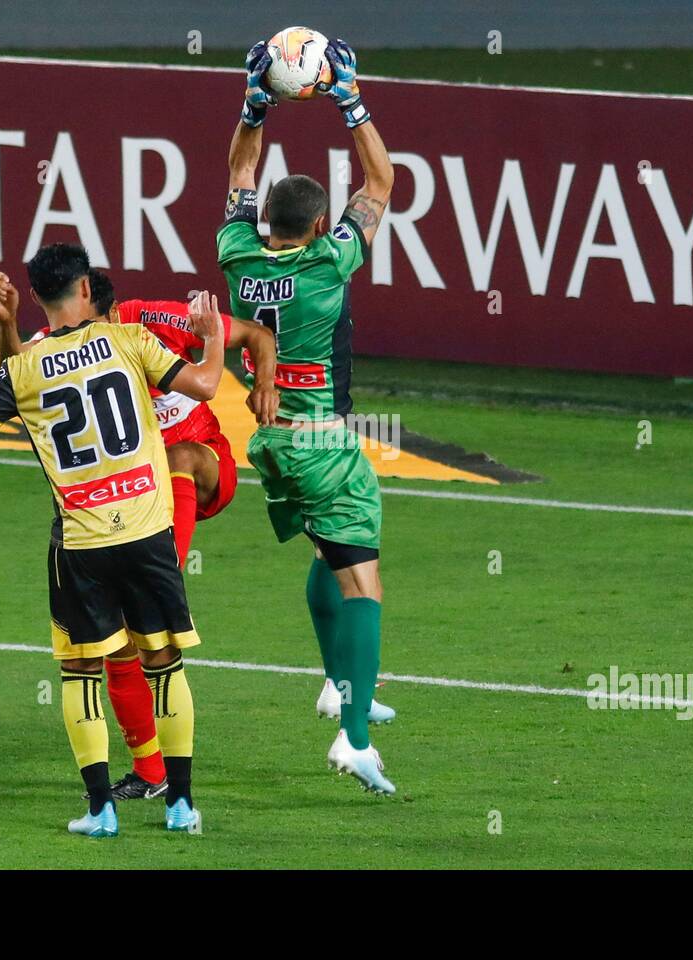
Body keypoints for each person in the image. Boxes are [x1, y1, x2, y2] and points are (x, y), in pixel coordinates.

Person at [0, 242, 225, 834]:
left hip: (82, 543)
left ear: (40, 298)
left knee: (80, 672)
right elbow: (206, 383)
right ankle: (181, 805)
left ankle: (101, 811)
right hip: (148, 528)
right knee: (165, 664)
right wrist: (212, 333)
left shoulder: (24, 369)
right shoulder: (130, 340)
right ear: (88, 290)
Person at [0, 267, 278, 801]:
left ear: (96, 307)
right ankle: (150, 772)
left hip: (201, 471)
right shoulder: (59, 345)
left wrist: (263, 383)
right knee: (119, 647)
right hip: (132, 504)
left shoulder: (151, 323)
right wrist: (4, 324)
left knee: (176, 455)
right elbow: (13, 371)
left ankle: (168, 572)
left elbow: (259, 335)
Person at [218, 38, 398, 794]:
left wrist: (256, 106)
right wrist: (348, 98)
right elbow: (382, 182)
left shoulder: (237, 254)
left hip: (274, 441)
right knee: (365, 586)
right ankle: (353, 740)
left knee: (330, 561)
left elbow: (239, 173)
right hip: (324, 444)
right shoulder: (329, 266)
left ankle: (337, 685)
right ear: (322, 225)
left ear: (268, 224)